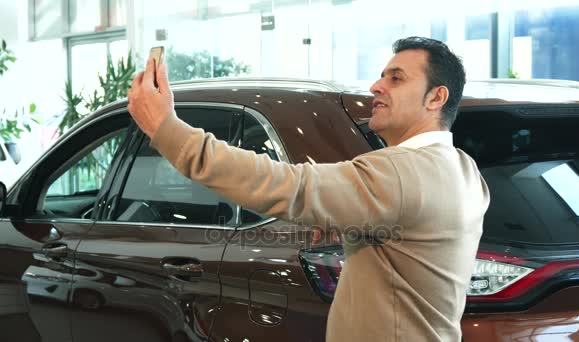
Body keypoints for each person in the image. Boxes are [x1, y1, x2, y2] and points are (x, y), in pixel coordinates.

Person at [127, 36, 490, 342]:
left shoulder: (401, 173)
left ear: (435, 97)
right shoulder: (463, 169)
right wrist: (350, 221)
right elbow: (413, 227)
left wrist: (166, 129)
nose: (376, 87)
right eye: (382, 76)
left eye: (396, 79)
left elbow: (287, 185)